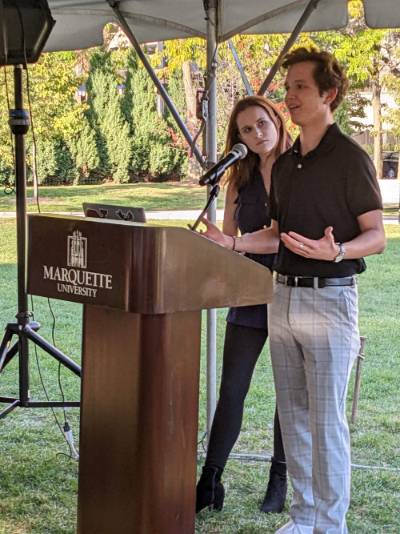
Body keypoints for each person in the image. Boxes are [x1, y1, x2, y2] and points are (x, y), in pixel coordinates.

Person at [200, 47, 386, 534]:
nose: (290, 96)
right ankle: (304, 518)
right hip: (281, 297)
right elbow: (276, 232)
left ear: (329, 93)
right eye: (288, 88)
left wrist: (338, 252)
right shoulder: (284, 165)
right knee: (296, 418)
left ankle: (331, 524)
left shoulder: (351, 158)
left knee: (325, 422)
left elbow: (378, 235)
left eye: (300, 87)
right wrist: (232, 241)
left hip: (330, 298)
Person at [196, 95, 291, 514]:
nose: (256, 135)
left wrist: (232, 242)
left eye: (261, 124)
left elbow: (279, 235)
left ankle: (279, 478)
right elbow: (230, 241)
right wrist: (214, 246)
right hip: (251, 291)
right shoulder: (239, 177)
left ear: (277, 119)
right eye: (246, 131)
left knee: (288, 392)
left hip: (294, 290)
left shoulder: (300, 170)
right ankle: (210, 480)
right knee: (232, 387)